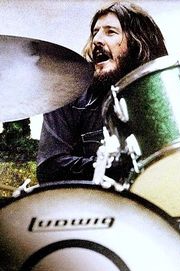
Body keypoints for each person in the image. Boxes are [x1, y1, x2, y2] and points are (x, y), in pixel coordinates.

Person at [36, 1, 168, 183]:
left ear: (138, 42)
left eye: (110, 32)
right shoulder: (68, 93)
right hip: (91, 208)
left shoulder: (163, 95)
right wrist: (110, 165)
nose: (96, 40)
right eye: (94, 33)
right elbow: (49, 167)